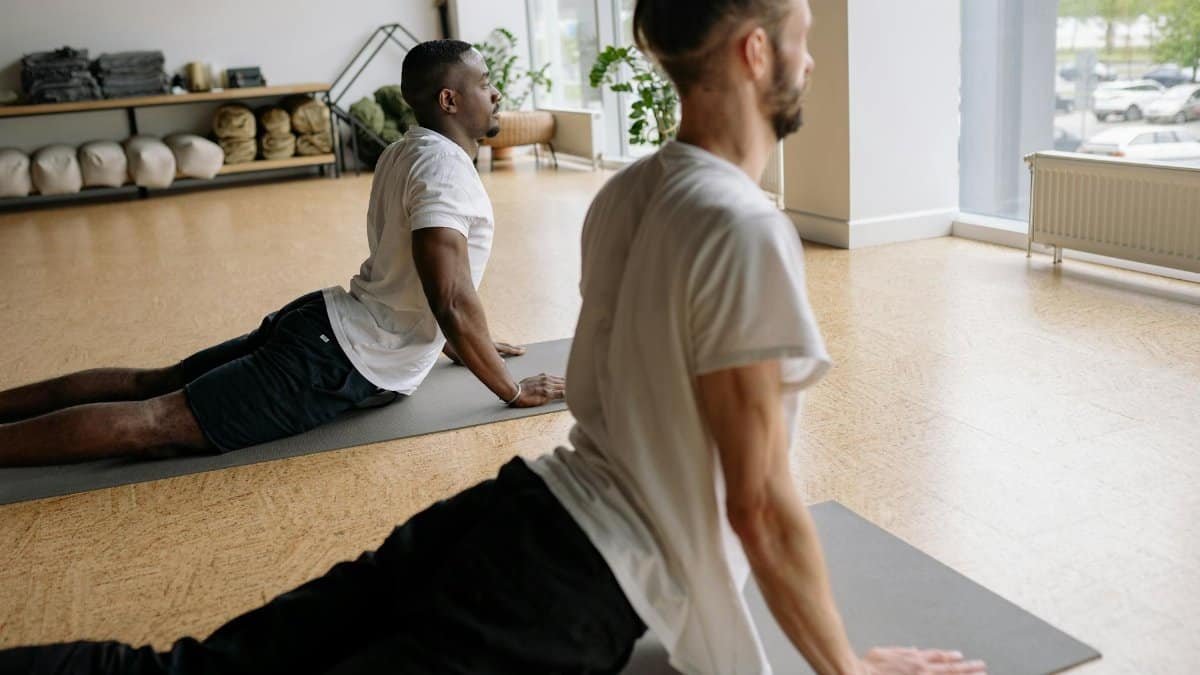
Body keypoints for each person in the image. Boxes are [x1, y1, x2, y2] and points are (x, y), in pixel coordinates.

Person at [0, 3, 988, 673]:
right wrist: (844, 666)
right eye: (802, 34)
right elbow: (761, 505)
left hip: (512, 512)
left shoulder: (632, 191)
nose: (811, 57)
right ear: (752, 51)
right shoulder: (742, 228)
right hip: (566, 586)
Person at [0, 40, 565, 467]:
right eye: (485, 81)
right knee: (153, 421)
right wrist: (510, 388)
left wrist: (462, 347)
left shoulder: (410, 150)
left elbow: (415, 278)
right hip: (333, 360)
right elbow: (449, 295)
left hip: (323, 322)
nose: (495, 92)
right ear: (449, 98)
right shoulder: (445, 171)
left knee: (152, 384)